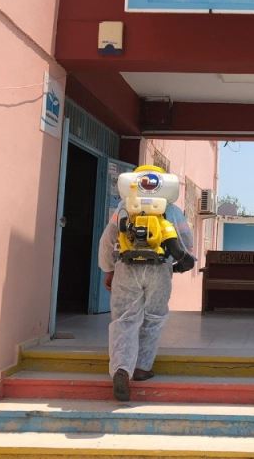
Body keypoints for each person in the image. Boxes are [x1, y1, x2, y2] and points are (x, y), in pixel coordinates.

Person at [98, 165, 195, 402]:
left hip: (126, 266)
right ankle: (142, 367)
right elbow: (186, 240)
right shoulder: (172, 209)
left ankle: (122, 369)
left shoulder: (124, 207)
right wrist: (180, 261)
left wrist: (108, 269)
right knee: (154, 317)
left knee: (124, 319)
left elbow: (108, 239)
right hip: (160, 268)